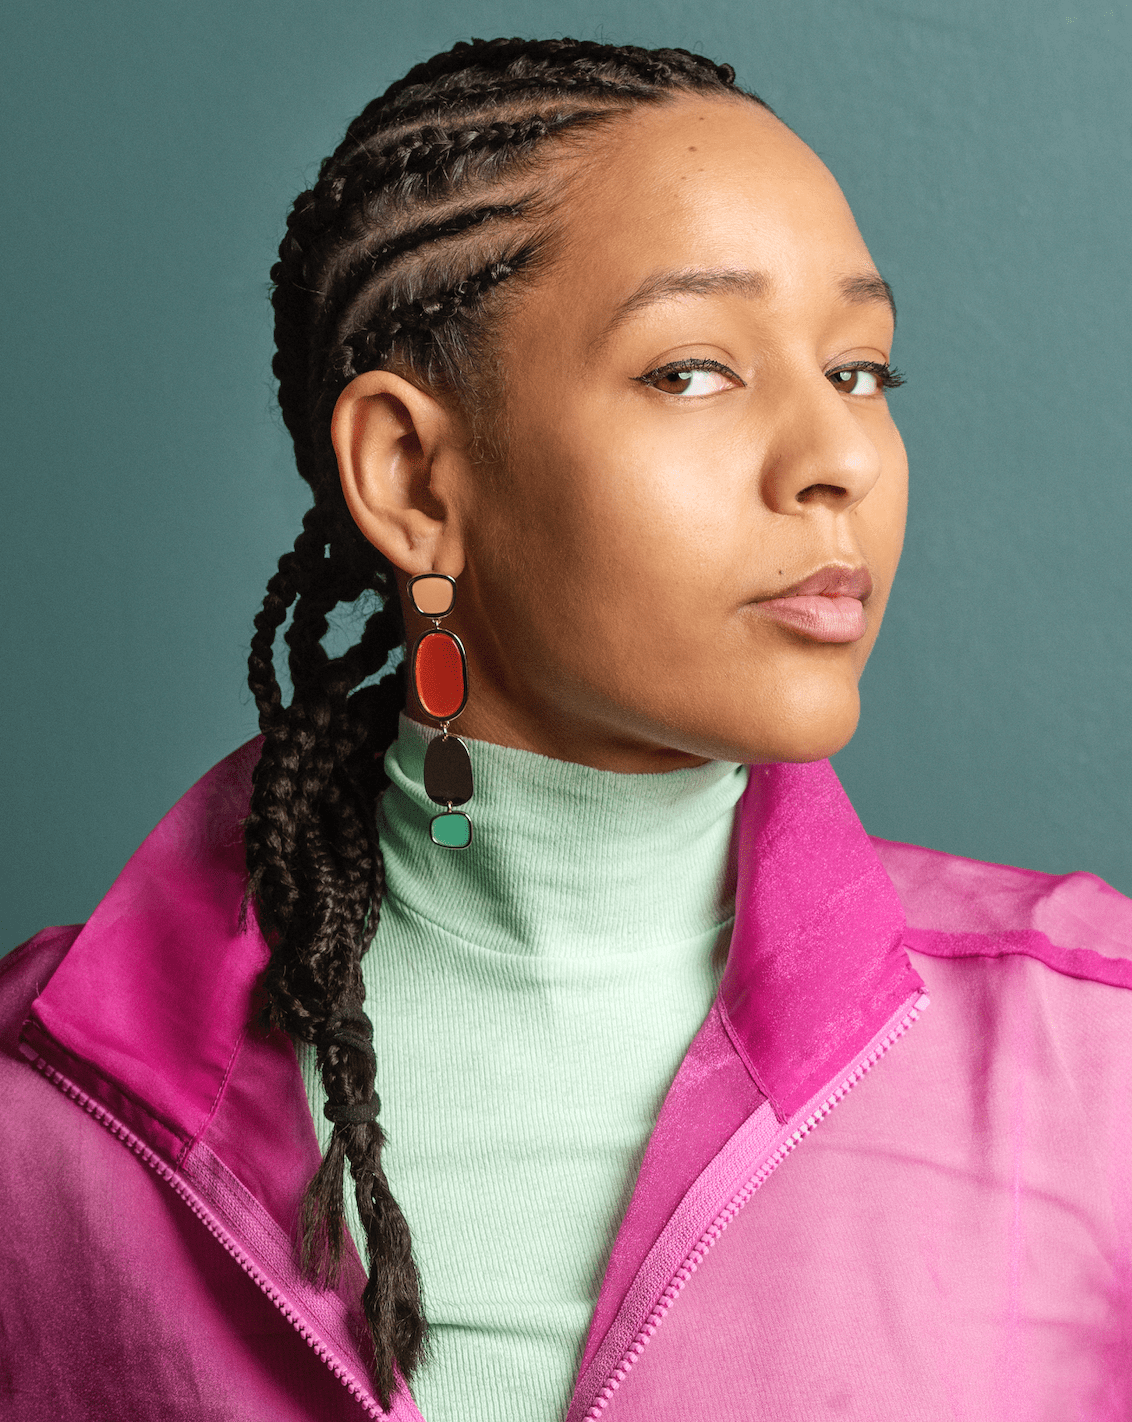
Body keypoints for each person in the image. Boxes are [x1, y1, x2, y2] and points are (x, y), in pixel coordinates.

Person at [1, 35, 1129, 1422]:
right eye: (695, 371)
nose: (837, 457)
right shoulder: (38, 1116)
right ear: (412, 473)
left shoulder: (1096, 1057)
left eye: (858, 370)